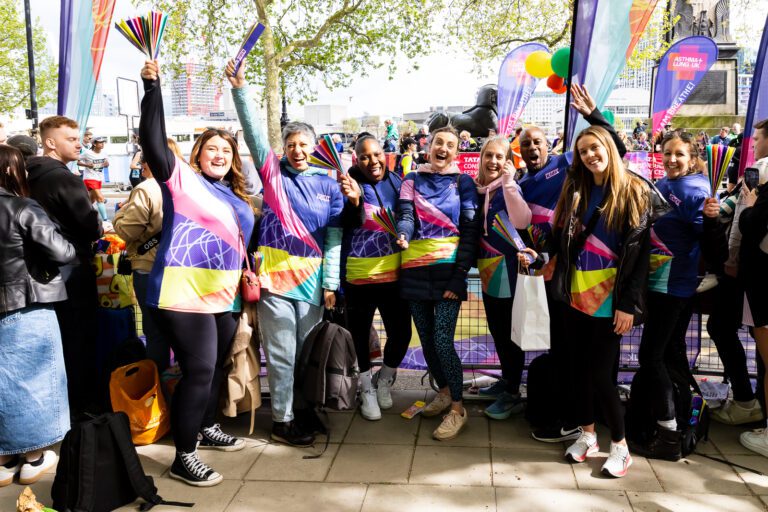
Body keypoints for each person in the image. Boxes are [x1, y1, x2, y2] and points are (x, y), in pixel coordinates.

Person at [139, 59, 253, 486]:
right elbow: (152, 142)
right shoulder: (180, 179)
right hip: (181, 293)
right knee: (200, 371)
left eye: (226, 150)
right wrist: (152, 88)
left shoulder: (237, 195)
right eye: (212, 149)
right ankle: (183, 456)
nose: (219, 155)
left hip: (223, 295)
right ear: (197, 156)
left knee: (215, 366)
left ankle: (205, 426)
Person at [228, 60, 348, 447]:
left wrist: (330, 283)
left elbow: (333, 238)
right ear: (284, 148)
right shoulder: (272, 174)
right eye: (291, 144)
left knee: (304, 355)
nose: (297, 150)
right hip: (274, 281)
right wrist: (241, 88)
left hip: (313, 284)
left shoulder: (329, 185)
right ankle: (281, 420)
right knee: (281, 355)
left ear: (314, 148)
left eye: (304, 144)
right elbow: (252, 135)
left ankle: (301, 410)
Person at [514, 84, 628, 444]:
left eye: (537, 142)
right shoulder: (520, 183)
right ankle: (576, 419)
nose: (532, 148)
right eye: (525, 145)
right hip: (558, 275)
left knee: (593, 362)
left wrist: (594, 116)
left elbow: (613, 151)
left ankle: (597, 423)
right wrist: (542, 256)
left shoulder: (570, 164)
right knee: (564, 350)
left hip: (602, 284)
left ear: (550, 145)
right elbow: (540, 230)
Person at [550, 125, 653, 478]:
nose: (590, 155)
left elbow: (640, 257)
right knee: (578, 370)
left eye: (595, 147)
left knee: (600, 375)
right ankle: (588, 435)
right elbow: (562, 241)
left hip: (610, 300)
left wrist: (627, 304)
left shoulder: (633, 191)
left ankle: (620, 446)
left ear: (609, 147)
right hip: (574, 294)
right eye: (583, 151)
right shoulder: (576, 189)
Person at [630, 132, 720, 461]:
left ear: (692, 157)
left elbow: (712, 247)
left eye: (679, 154)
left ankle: (669, 434)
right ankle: (683, 416)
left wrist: (711, 220)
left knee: (651, 358)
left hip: (674, 289)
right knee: (669, 355)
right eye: (667, 152)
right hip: (654, 286)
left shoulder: (696, 190)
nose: (671, 159)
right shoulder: (663, 184)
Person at [396, 126, 480, 440]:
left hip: (449, 274)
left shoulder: (464, 182)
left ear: (457, 152)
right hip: (416, 271)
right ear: (428, 146)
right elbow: (405, 214)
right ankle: (444, 392)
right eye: (438, 143)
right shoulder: (411, 179)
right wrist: (403, 233)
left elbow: (470, 232)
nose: (443, 148)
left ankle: (458, 408)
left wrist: (459, 278)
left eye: (450, 145)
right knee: (428, 339)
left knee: (443, 341)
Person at [0, 145, 75, 487]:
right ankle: (33, 457)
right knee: (34, 383)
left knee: (3, 383)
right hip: (25, 304)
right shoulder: (21, 206)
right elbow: (62, 251)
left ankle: (3, 461)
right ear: (14, 172)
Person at [26, 116, 103, 416]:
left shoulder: (26, 175)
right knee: (78, 342)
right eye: (71, 139)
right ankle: (82, 408)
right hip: (71, 268)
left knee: (53, 344)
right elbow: (90, 226)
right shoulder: (63, 178)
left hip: (37, 270)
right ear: (50, 142)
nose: (79, 143)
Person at [341, 135, 412, 420]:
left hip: (394, 275)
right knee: (359, 337)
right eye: (365, 156)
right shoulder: (348, 183)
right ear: (356, 159)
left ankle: (384, 379)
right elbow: (343, 224)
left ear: (385, 154)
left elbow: (409, 215)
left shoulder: (396, 182)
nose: (373, 161)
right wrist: (354, 202)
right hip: (358, 278)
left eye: (377, 154)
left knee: (402, 334)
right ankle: (366, 388)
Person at [473, 136, 537, 420]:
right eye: (489, 156)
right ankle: (506, 381)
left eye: (499, 157)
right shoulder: (478, 189)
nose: (493, 162)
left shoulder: (510, 186)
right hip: (488, 269)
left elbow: (523, 221)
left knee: (510, 334)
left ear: (507, 161)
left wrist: (510, 183)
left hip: (510, 269)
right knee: (498, 330)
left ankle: (512, 391)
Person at [113, 139, 184, 373]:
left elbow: (128, 230)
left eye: (144, 158)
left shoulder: (147, 188)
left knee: (155, 334)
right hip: (183, 269)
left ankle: (158, 393)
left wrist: (119, 216)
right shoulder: (186, 186)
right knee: (183, 333)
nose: (141, 163)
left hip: (149, 266)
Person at [737, 119, 768, 457]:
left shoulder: (763, 178)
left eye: (758, 138)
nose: (754, 143)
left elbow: (750, 224)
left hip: (762, 283)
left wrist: (751, 203)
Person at [78, 136, 110, 221]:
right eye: (100, 142)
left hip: (98, 178)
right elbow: (78, 161)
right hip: (89, 178)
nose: (102, 144)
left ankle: (81, 215)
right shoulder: (87, 153)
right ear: (94, 144)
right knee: (100, 198)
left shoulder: (104, 153)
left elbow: (107, 163)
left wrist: (106, 164)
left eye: (103, 142)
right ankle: (105, 220)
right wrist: (87, 165)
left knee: (91, 200)